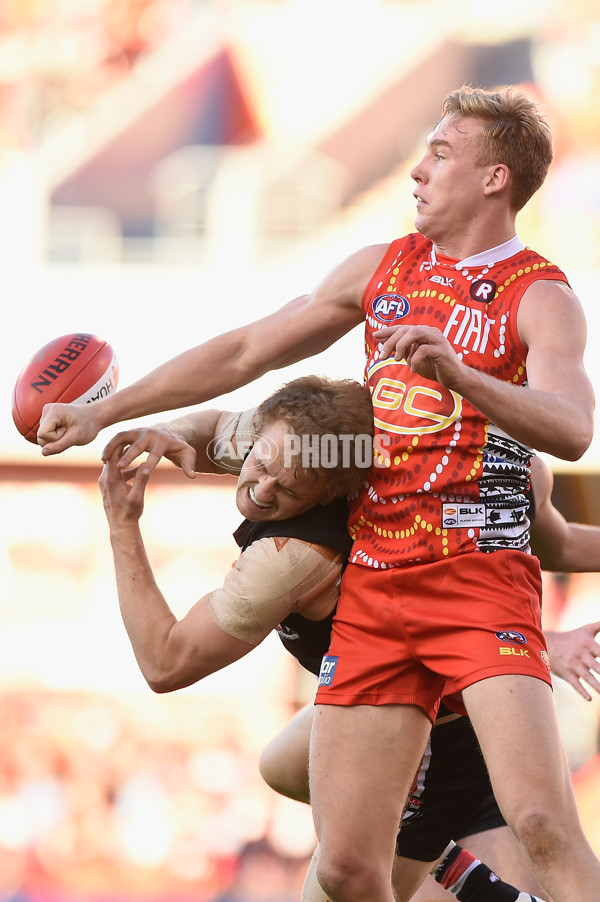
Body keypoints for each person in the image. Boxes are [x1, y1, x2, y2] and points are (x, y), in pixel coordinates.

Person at [39, 85, 600, 902]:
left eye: (441, 153)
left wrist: (460, 373)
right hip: (378, 586)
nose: (416, 170)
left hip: (479, 585)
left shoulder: (539, 296)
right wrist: (104, 411)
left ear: (494, 179)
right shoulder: (382, 269)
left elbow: (572, 429)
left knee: (544, 828)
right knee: (342, 868)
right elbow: (244, 352)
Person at [107, 403, 599, 902]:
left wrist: (122, 522)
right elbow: (221, 421)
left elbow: (165, 663)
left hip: (440, 729)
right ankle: (462, 873)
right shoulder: (329, 445)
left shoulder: (294, 556)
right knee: (280, 764)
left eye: (288, 488)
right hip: (387, 693)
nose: (260, 489)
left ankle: (471, 877)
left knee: (339, 883)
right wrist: (164, 429)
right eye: (259, 462)